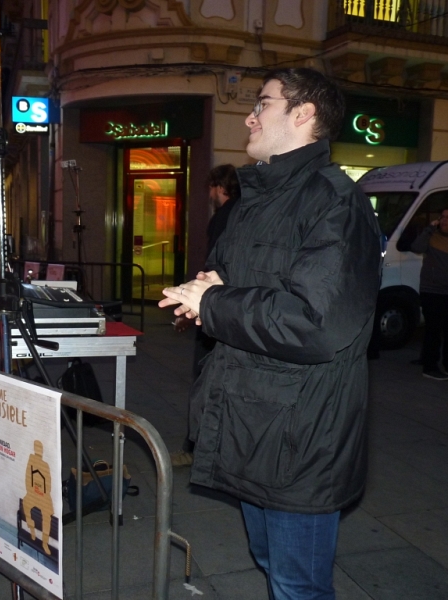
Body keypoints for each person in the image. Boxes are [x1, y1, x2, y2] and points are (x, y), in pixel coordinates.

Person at [160, 67, 382, 599]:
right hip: (251, 420)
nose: (249, 115)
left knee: (297, 584)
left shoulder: (335, 202)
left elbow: (316, 323)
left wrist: (216, 302)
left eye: (264, 103)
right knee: (268, 562)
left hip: (301, 434)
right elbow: (258, 283)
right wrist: (209, 292)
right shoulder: (259, 198)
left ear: (304, 115)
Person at [171, 164, 240, 467]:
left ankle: (196, 447)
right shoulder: (244, 213)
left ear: (218, 186)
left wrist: (190, 307)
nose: (210, 194)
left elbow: (213, 268)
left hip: (213, 307)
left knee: (203, 379)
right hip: (229, 309)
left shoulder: (223, 217)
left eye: (211, 187)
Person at [410, 208, 448, 380]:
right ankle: (430, 366)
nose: (445, 220)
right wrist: (429, 229)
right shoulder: (432, 236)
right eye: (443, 217)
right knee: (434, 329)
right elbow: (416, 247)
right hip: (432, 291)